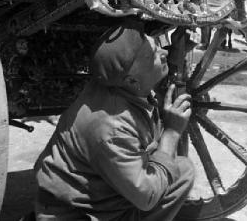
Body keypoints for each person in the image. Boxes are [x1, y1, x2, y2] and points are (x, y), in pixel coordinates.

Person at [34, 20, 194, 220]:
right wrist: (172, 133)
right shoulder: (112, 127)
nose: (164, 54)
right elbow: (147, 196)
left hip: (99, 198)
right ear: (132, 80)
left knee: (182, 170)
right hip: (73, 214)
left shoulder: (118, 83)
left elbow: (145, 146)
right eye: (154, 55)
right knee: (175, 176)